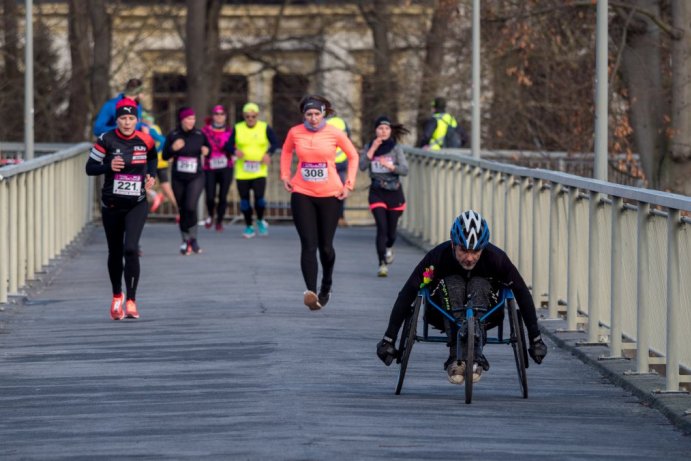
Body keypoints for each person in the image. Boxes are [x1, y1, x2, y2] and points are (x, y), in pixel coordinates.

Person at [376, 210, 548, 384]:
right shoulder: (438, 257)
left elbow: (522, 293)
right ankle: (456, 356)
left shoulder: (496, 258)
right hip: (441, 313)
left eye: (475, 252)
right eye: (463, 250)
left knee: (479, 283)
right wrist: (389, 338)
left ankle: (475, 355)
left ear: (484, 247)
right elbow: (409, 291)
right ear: (453, 243)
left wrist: (535, 339)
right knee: (453, 283)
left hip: (488, 314)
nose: (469, 258)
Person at [280, 95, 359, 310]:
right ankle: (311, 292)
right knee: (308, 244)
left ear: (323, 114)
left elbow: (353, 156)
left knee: (325, 247)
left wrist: (348, 184)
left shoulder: (334, 133)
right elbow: (286, 151)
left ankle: (326, 285)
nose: (313, 118)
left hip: (330, 194)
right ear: (303, 115)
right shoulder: (295, 132)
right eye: (309, 114)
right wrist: (285, 175)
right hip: (302, 192)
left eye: (317, 114)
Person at [85, 98, 157, 320]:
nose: (127, 123)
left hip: (137, 203)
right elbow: (89, 168)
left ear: (137, 119)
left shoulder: (146, 139)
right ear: (117, 120)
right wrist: (108, 166)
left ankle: (132, 301)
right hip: (112, 204)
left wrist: (151, 175)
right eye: (123, 119)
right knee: (115, 252)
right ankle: (117, 295)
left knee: (131, 249)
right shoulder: (106, 140)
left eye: (131, 118)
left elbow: (153, 158)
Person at [359, 116, 409, 277]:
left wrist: (391, 167)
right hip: (376, 191)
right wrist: (372, 149)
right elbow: (361, 166)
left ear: (390, 131)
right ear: (375, 130)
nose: (383, 131)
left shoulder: (396, 148)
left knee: (391, 233)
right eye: (380, 128)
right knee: (381, 227)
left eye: (386, 129)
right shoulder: (369, 146)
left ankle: (389, 247)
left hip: (394, 192)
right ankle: (382, 264)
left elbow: (405, 170)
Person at [224, 102, 280, 238]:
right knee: (244, 201)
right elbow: (228, 145)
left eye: (253, 116)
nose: (250, 118)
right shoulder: (238, 128)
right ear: (244, 116)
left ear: (257, 116)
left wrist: (268, 153)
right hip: (242, 171)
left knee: (259, 200)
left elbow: (275, 143)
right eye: (247, 116)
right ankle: (249, 226)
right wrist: (235, 151)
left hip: (259, 170)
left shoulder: (264, 127)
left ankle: (260, 220)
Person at [162, 107, 210, 255]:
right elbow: (164, 156)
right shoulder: (173, 135)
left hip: (196, 176)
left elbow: (208, 148)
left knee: (190, 206)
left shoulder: (199, 134)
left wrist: (206, 151)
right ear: (182, 120)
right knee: (182, 208)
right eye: (188, 119)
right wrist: (172, 148)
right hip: (178, 177)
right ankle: (185, 240)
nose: (191, 121)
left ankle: (193, 239)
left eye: (193, 119)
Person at [201, 104, 234, 232]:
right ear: (213, 116)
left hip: (226, 166)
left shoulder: (230, 131)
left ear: (225, 117)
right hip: (209, 166)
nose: (219, 117)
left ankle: (219, 220)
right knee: (210, 195)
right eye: (216, 114)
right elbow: (199, 143)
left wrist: (235, 152)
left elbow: (235, 145)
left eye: (221, 114)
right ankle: (210, 215)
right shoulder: (205, 131)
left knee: (223, 196)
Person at [141, 111, 177, 214]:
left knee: (140, 183)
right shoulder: (154, 127)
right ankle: (179, 211)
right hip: (159, 162)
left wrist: (154, 152)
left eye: (145, 119)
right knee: (165, 187)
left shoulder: (150, 129)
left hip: (155, 162)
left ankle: (154, 196)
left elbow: (163, 141)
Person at [326, 114, 351, 227]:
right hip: (341, 161)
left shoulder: (320, 123)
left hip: (327, 162)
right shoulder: (341, 121)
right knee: (341, 191)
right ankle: (340, 217)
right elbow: (348, 138)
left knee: (326, 191)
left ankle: (329, 217)